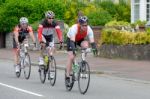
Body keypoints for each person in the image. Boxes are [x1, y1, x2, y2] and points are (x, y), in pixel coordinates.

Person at [65, 16, 97, 84]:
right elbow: (72, 41)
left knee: (86, 45)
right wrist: (74, 50)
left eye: (86, 25)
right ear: (79, 24)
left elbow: (92, 42)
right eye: (83, 25)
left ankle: (83, 62)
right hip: (71, 40)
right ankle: (67, 76)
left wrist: (94, 49)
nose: (85, 27)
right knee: (72, 57)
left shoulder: (89, 29)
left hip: (79, 39)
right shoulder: (74, 28)